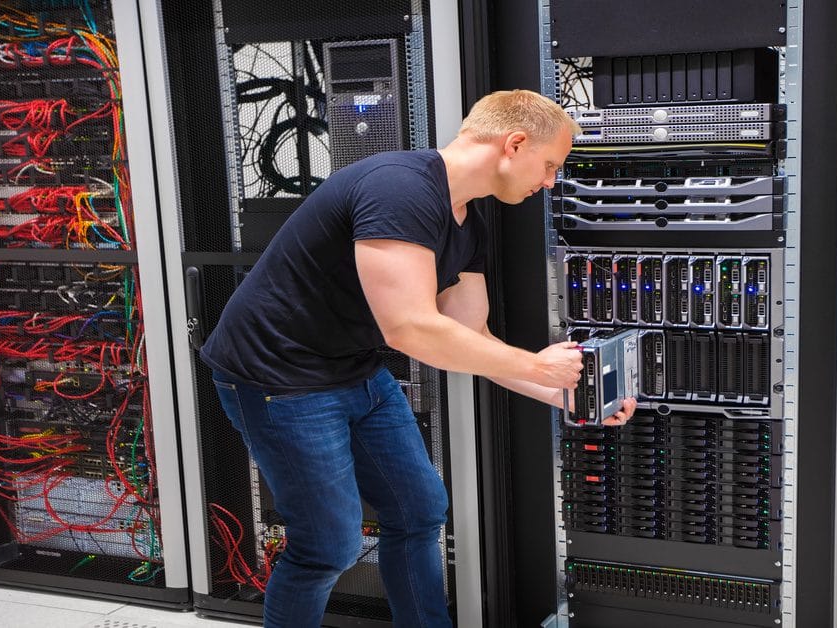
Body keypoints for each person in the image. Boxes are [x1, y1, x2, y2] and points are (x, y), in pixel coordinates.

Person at [200, 89, 637, 628]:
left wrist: (561, 392)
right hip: (278, 375)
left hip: (354, 367)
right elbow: (408, 327)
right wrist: (537, 366)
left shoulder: (467, 221)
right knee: (328, 546)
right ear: (515, 143)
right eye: (549, 165)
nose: (549, 182)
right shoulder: (399, 188)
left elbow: (469, 334)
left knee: (419, 510)